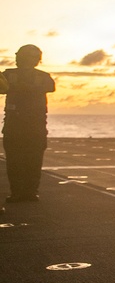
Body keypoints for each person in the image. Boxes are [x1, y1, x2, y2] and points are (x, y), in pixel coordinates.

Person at [2, 45, 56, 203]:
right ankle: (24, 192)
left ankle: (25, 192)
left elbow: (50, 87)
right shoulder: (9, 75)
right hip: (22, 126)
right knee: (21, 161)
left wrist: (22, 87)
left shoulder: (39, 77)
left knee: (25, 161)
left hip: (29, 126)